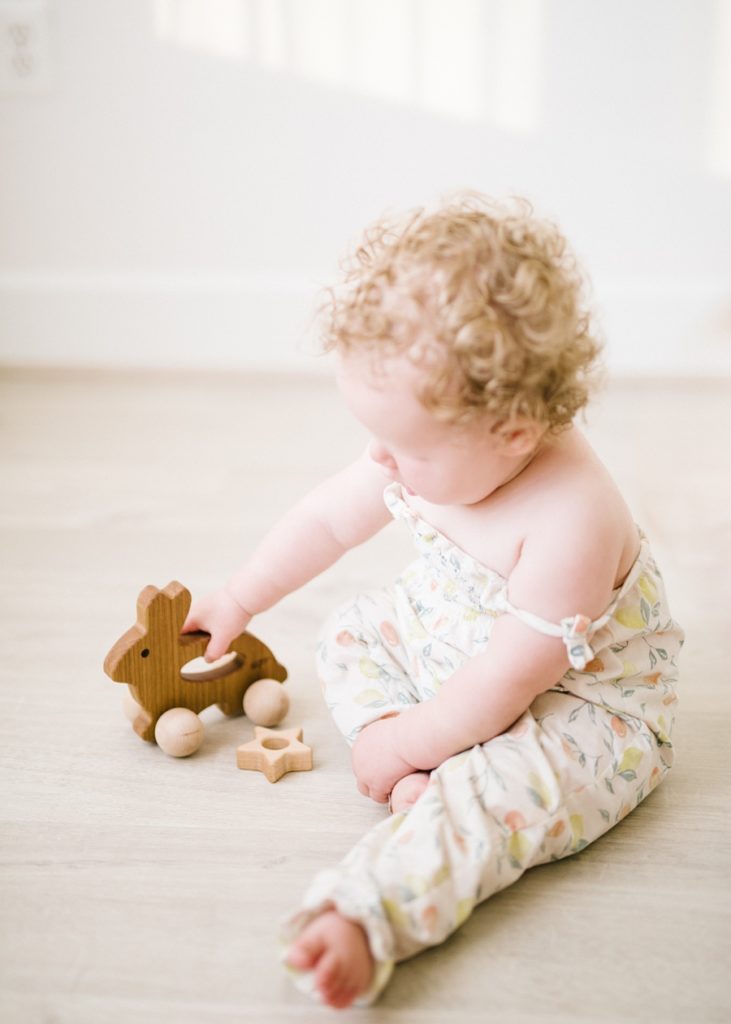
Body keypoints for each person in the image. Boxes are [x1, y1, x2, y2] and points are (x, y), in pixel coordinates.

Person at [182, 194, 683, 1009]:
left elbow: (510, 680)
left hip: (580, 705)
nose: (379, 456)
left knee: (495, 801)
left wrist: (405, 738)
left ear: (513, 433)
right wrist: (241, 595)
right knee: (348, 632)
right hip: (462, 640)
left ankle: (365, 914)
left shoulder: (573, 521)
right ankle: (428, 765)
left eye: (406, 447)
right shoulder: (444, 444)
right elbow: (325, 518)